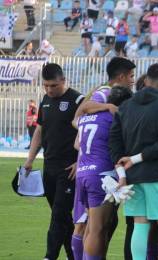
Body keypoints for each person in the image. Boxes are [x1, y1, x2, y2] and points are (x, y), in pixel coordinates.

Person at [108, 64, 158, 260]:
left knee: (140, 224)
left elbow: (114, 143)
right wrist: (135, 159)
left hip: (132, 178)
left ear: (146, 81)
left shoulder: (125, 107)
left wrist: (122, 174)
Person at [23, 63, 85, 260]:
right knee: (64, 217)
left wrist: (80, 162)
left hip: (69, 169)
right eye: (46, 85)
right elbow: (40, 131)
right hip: (48, 167)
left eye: (53, 86)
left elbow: (90, 134)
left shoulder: (78, 100)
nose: (49, 90)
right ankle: (73, 255)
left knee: (59, 214)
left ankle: (49, 256)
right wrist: (30, 160)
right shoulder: (45, 100)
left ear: (63, 81)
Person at [74, 86, 133, 259]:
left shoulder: (87, 117)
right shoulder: (114, 119)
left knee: (92, 226)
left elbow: (77, 139)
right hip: (101, 175)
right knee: (98, 229)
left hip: (83, 173)